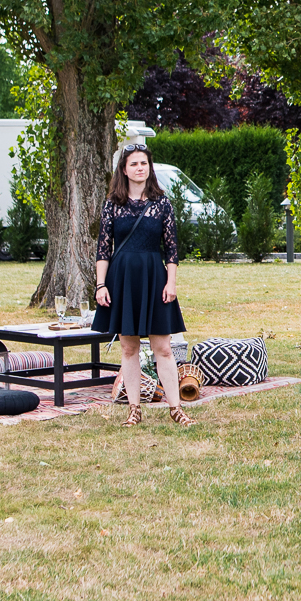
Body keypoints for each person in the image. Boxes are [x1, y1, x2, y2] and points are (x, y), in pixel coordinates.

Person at [93, 142, 190, 427]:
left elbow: (172, 250)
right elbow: (103, 249)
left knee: (164, 348)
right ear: (124, 169)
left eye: (144, 163)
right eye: (133, 163)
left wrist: (171, 283)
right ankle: (134, 410)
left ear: (150, 168)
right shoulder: (112, 204)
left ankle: (176, 409)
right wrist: (101, 285)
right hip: (121, 280)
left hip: (154, 278)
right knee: (128, 348)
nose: (139, 168)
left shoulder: (162, 204)